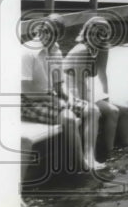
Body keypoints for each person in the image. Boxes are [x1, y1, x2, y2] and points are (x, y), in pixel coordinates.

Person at [21, 14, 100, 173]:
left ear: (59, 35)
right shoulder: (27, 52)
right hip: (27, 100)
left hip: (50, 97)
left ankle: (90, 157)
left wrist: (69, 97)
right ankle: (81, 165)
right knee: (69, 118)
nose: (47, 35)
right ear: (39, 28)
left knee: (92, 110)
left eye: (53, 33)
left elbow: (59, 83)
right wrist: (53, 99)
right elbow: (25, 87)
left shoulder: (55, 50)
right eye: (45, 30)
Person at [63, 16, 128, 160]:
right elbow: (76, 82)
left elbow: (102, 74)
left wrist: (106, 96)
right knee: (113, 111)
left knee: (124, 108)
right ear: (88, 31)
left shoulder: (102, 48)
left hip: (84, 87)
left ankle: (126, 147)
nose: (100, 36)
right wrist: (87, 103)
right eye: (97, 32)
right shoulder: (81, 50)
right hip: (71, 89)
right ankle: (109, 153)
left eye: (104, 32)